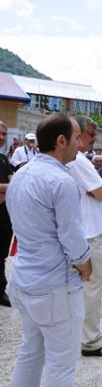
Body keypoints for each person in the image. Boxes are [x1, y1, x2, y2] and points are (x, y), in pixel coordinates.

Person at [7, 113, 92, 387]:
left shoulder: (21, 174)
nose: (81, 144)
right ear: (61, 140)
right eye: (78, 137)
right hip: (54, 289)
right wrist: (86, 264)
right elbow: (72, 238)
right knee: (61, 365)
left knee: (31, 353)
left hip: (24, 280)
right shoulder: (61, 181)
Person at [66, 115, 102, 358]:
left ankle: (78, 333)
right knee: (91, 287)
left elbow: (98, 190)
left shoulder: (71, 160)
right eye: (89, 134)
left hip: (82, 230)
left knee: (80, 289)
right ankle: (91, 340)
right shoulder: (78, 160)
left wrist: (97, 188)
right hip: (88, 233)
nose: (93, 139)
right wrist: (99, 187)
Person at [0, 121, 12, 307]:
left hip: (3, 214)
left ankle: (1, 290)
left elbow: (12, 177)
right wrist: (11, 188)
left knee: (1, 254)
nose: (2, 137)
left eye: (4, 134)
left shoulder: (3, 159)